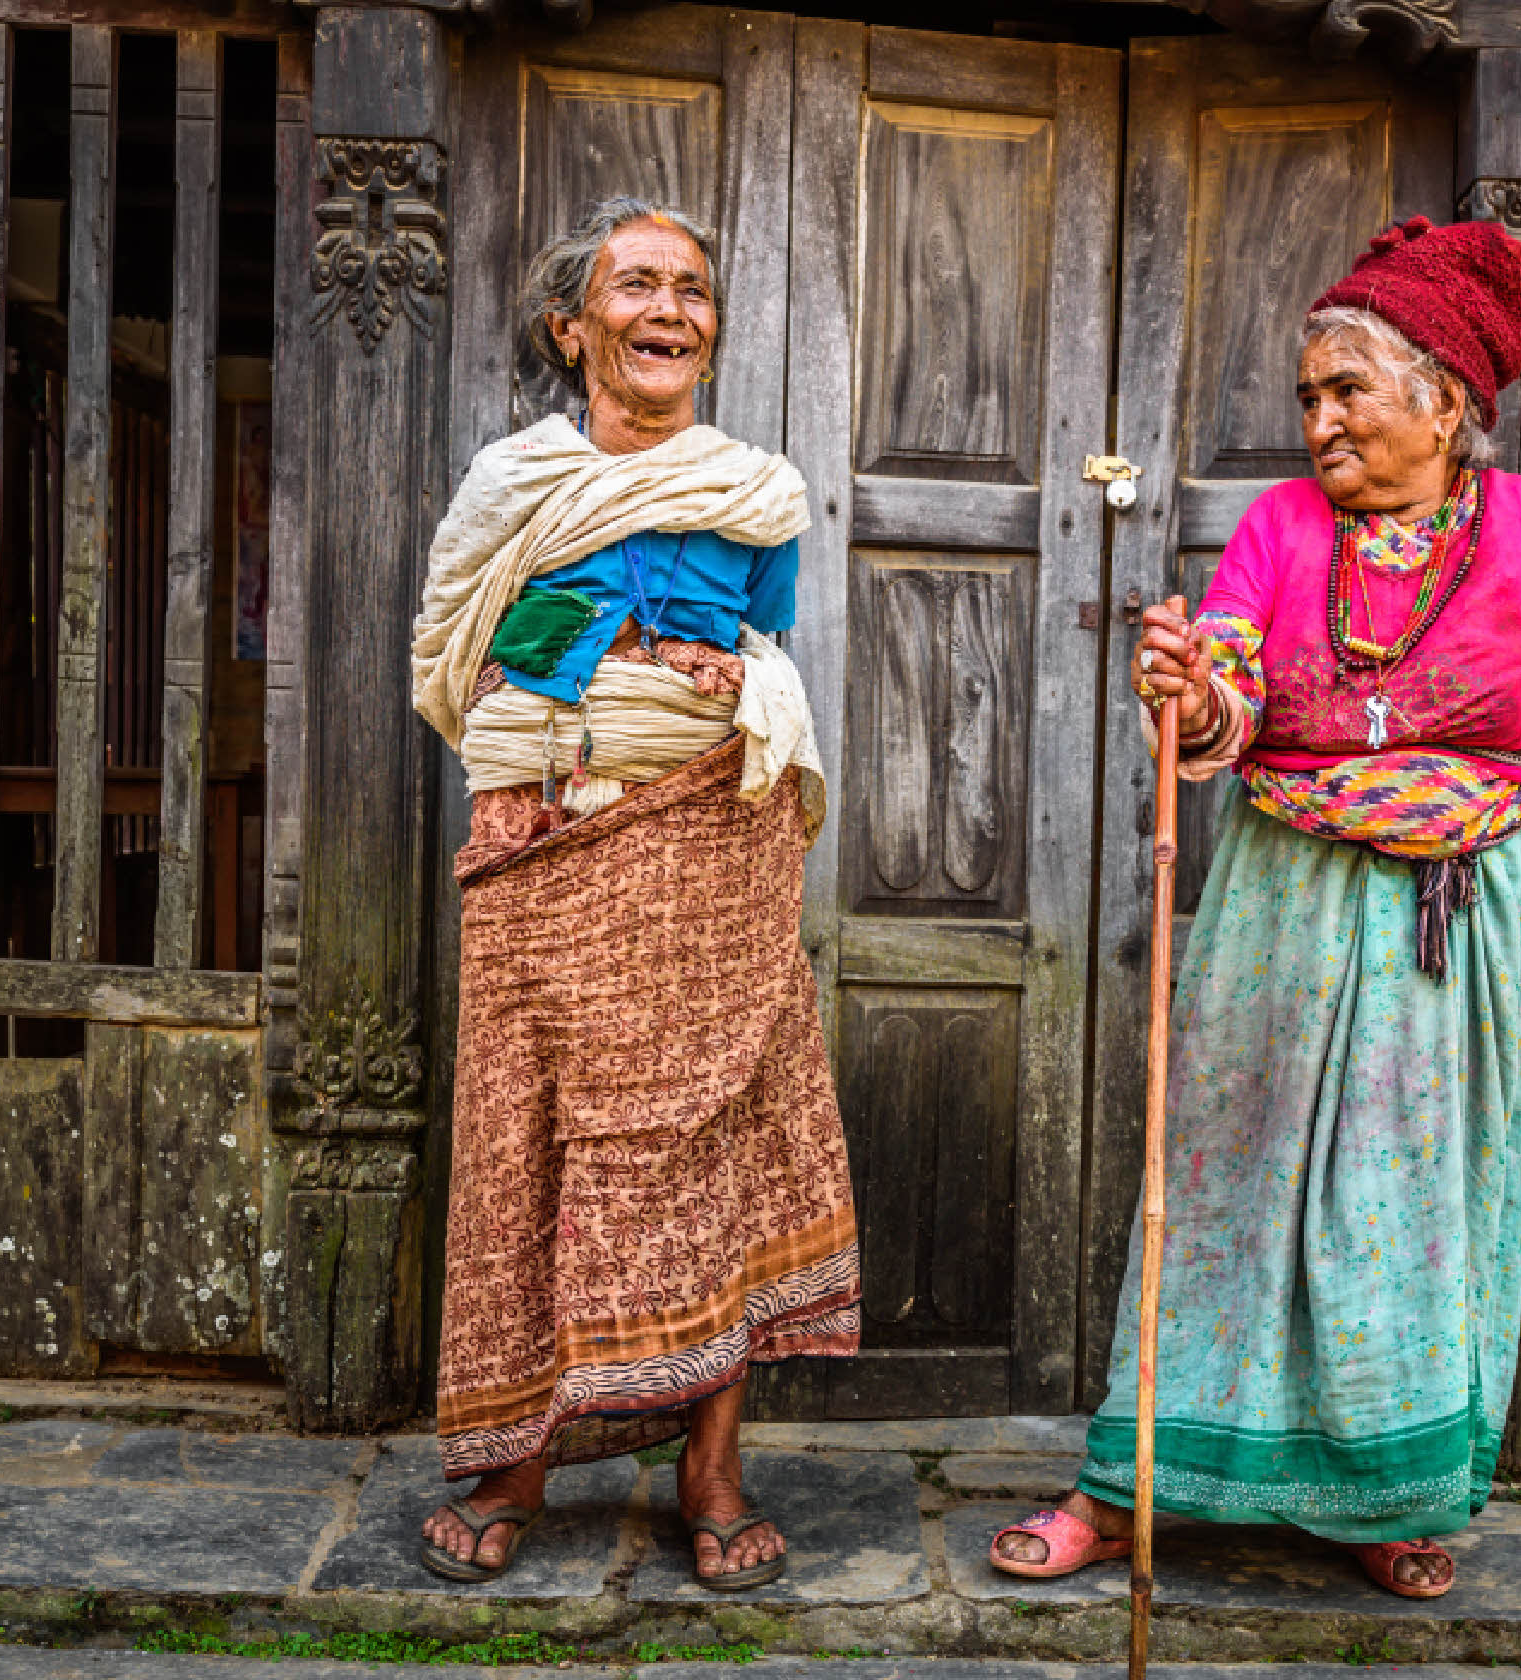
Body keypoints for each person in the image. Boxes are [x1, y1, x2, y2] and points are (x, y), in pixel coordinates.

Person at [988, 216, 1521, 1599]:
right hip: (1291, 901)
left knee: (1412, 1204)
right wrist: (1186, 686)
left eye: (1348, 393)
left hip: (1465, 917)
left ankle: (1390, 1496)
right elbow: (1235, 686)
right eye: (1310, 393)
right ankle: (1131, 1485)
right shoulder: (1279, 528)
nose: (1317, 420)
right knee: (1227, 1184)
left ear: (1445, 403)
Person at [408, 196, 860, 1593]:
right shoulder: (514, 486)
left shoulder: (759, 492)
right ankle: (523, 1452)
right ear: (573, 326)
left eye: (693, 292)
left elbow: (769, 651)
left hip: (711, 845)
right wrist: (582, 691)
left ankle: (711, 1465)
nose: (670, 312)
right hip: (547, 839)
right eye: (639, 287)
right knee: (535, 1138)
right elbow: (459, 659)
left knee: (714, 1131)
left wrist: (737, 681)